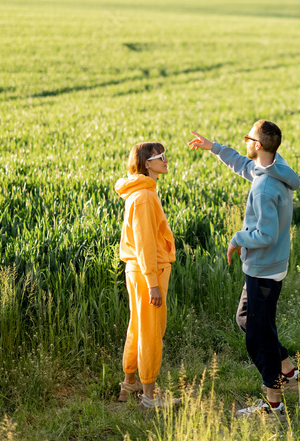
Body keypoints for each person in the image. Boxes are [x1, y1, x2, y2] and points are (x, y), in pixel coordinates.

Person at [188, 120, 300, 417]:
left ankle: (274, 403)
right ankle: (291, 374)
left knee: (258, 337)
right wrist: (214, 147)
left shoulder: (266, 188)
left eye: (248, 138)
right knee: (248, 319)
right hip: (268, 267)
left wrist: (237, 238)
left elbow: (265, 235)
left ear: (258, 145)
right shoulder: (272, 167)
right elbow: (244, 165)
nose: (245, 142)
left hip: (264, 270)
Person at [114, 142, 179, 409]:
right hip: (148, 273)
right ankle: (150, 397)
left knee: (138, 326)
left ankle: (129, 386)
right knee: (151, 331)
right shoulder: (144, 197)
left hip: (139, 270)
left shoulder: (141, 192)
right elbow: (145, 244)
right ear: (146, 163)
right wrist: (153, 283)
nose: (166, 160)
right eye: (160, 157)